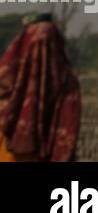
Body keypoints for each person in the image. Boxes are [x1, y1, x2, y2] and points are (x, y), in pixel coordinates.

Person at [0, 15, 81, 161]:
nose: (41, 55)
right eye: (36, 45)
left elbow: (68, 130)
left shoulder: (67, 85)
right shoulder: (7, 82)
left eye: (46, 45)